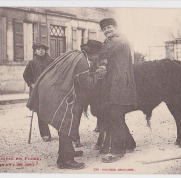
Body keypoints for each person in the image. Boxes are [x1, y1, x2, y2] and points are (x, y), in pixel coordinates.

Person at [26, 40, 107, 169]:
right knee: (67, 123)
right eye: (98, 55)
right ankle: (65, 160)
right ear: (94, 54)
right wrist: (97, 75)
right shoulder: (83, 62)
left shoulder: (75, 54)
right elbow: (87, 83)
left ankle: (67, 151)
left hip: (50, 88)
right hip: (59, 92)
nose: (98, 58)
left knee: (64, 123)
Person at [98, 18, 137, 163]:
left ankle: (117, 151)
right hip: (114, 82)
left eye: (109, 27)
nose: (107, 30)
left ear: (116, 27)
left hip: (120, 83)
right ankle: (130, 143)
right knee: (115, 115)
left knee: (115, 115)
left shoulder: (119, 40)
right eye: (104, 29)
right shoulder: (111, 40)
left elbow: (102, 53)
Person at [23, 42, 54, 142]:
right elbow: (26, 75)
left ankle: (61, 133)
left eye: (42, 49)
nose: (41, 51)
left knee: (53, 110)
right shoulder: (32, 63)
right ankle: (45, 134)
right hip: (37, 91)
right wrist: (31, 84)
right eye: (38, 49)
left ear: (45, 50)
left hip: (50, 90)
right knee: (40, 112)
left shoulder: (52, 61)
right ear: (35, 51)